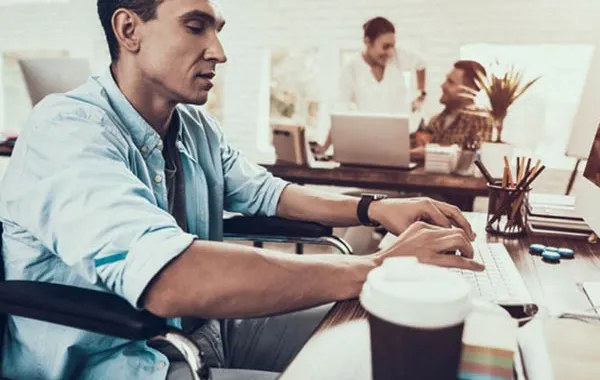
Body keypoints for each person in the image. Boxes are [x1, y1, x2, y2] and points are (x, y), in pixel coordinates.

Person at [0, 1, 484, 379]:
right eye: (195, 27)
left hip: (204, 332)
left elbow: (268, 193)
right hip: (130, 361)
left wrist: (375, 208)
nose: (218, 50)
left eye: (217, 30)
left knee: (379, 341)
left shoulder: (192, 125)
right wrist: (376, 268)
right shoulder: (67, 129)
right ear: (129, 31)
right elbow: (172, 280)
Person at [313, 16, 427, 154]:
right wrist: (325, 146)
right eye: (385, 46)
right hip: (370, 143)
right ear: (367, 42)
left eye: (393, 45)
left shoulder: (397, 56)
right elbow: (340, 111)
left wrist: (420, 93)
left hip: (401, 141)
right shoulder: (352, 69)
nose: (390, 52)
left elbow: (421, 64)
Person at [410, 60, 494, 161]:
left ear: (469, 90)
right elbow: (411, 145)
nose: (443, 85)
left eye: (451, 82)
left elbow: (476, 160)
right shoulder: (435, 121)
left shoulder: (481, 121)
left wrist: (431, 153)